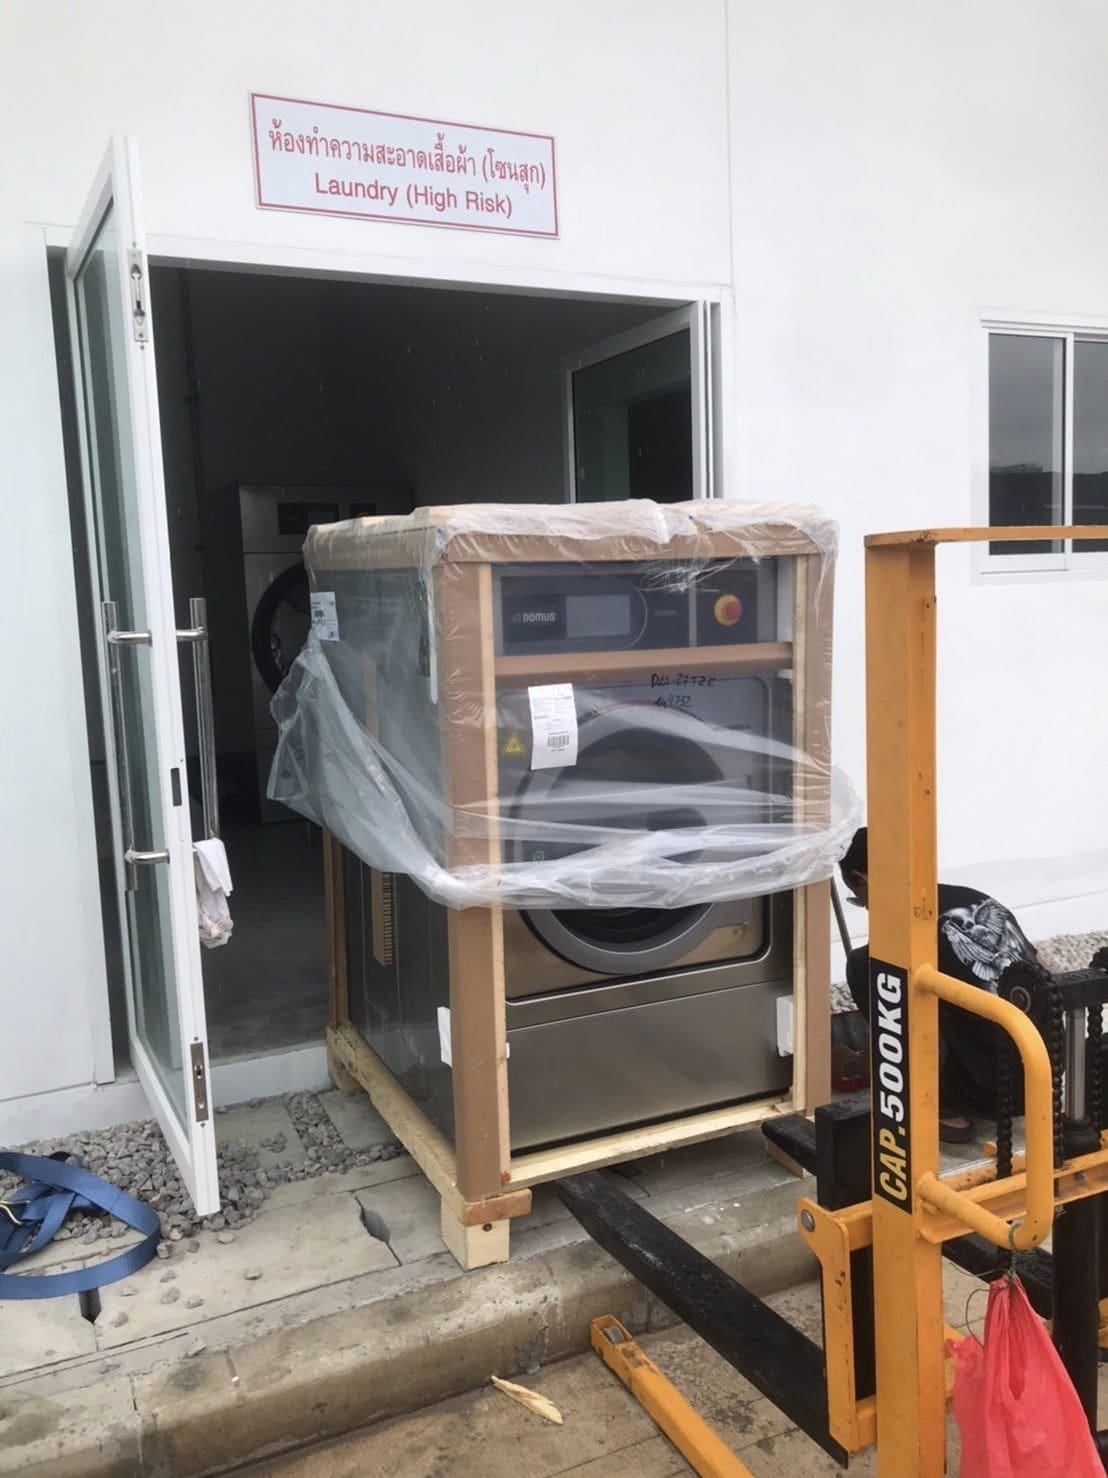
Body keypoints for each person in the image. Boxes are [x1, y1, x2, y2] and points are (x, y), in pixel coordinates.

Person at [839, 827, 1041, 1143]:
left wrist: (860, 1063)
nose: (867, 908)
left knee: (864, 965)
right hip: (1045, 1068)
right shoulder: (976, 899)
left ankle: (944, 1110)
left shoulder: (905, 933)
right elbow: (1042, 967)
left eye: (859, 899)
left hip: (993, 1090)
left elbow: (896, 1025)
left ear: (861, 878)